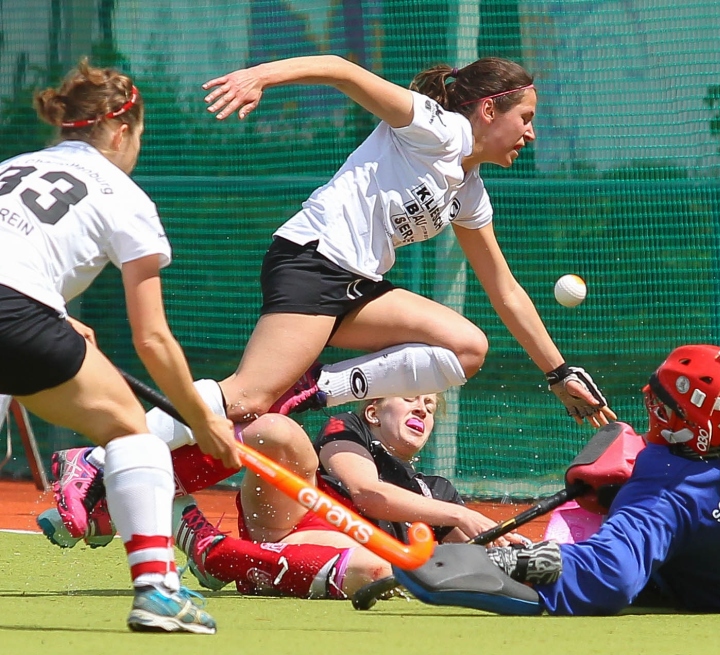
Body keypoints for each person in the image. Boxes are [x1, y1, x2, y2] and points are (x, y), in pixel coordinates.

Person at [199, 55, 616, 429]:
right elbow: (342, 71)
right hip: (314, 260)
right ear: (489, 109)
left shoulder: (469, 192)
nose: (531, 133)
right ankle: (139, 437)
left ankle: (317, 388)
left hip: (357, 284)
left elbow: (505, 290)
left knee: (467, 349)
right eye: (525, 117)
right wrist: (259, 76)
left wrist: (559, 374)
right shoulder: (438, 128)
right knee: (248, 398)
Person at [0, 59, 239, 634]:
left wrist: (48, 312)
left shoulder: (10, 166)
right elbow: (153, 338)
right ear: (124, 129)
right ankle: (157, 591)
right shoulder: (123, 193)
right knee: (132, 433)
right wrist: (200, 420)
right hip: (15, 312)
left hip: (21, 310)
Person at [391, 345, 720, 615]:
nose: (650, 396)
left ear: (696, 429)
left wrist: (509, 560)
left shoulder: (663, 491)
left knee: (586, 521)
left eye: (662, 401)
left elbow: (610, 578)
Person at [49, 394, 517, 600]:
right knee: (272, 428)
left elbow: (472, 554)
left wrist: (512, 551)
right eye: (413, 398)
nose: (423, 408)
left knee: (379, 570)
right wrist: (458, 513)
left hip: (357, 555)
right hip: (293, 520)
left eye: (431, 406)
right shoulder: (348, 431)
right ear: (373, 410)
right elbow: (367, 493)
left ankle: (213, 551)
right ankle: (129, 486)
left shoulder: (436, 491)